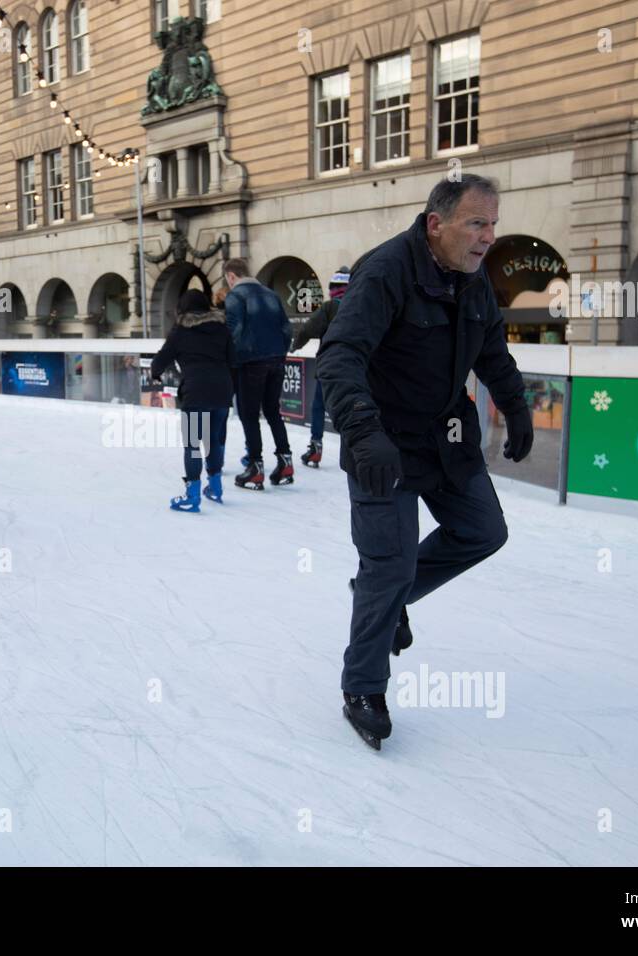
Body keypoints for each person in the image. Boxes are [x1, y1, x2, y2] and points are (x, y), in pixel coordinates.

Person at [317, 174, 534, 751]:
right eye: (476, 223)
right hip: (381, 443)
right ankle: (362, 687)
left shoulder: (473, 278)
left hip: (446, 434)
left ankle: (391, 602)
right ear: (437, 224)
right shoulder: (386, 271)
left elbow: (491, 349)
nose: (488, 236)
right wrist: (363, 432)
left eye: (492, 224)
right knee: (386, 566)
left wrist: (516, 406)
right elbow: (338, 357)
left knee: (484, 530)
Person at [150, 289, 235, 513]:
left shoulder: (180, 331)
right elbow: (234, 358)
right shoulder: (222, 328)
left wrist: (156, 373)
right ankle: (215, 487)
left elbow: (160, 360)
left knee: (193, 444)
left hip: (195, 393)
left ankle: (193, 494)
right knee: (214, 439)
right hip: (222, 391)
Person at [223, 258, 295, 489]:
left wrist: (228, 358)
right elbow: (287, 329)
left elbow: (234, 330)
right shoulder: (270, 294)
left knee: (249, 414)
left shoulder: (236, 296)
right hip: (276, 360)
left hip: (250, 361)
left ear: (231, 276)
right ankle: (286, 461)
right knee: (273, 411)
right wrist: (280, 354)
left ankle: (255, 466)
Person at [291, 267, 351, 467]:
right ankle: (354, 449)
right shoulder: (359, 305)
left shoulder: (329, 307)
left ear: (333, 288)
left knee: (318, 406)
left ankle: (316, 447)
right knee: (351, 409)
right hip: (356, 367)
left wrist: (295, 345)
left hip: (329, 366)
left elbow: (307, 329)